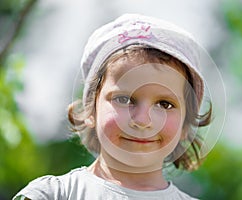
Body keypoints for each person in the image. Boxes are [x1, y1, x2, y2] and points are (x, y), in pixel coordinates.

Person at [13, 13, 213, 200]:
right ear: (91, 108)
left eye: (164, 104)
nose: (143, 120)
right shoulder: (53, 195)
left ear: (186, 124)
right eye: (124, 99)